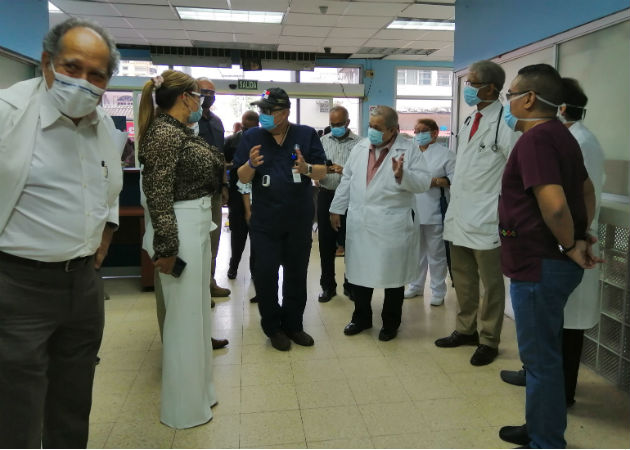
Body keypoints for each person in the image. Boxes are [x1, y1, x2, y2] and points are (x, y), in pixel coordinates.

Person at [0, 18, 122, 448]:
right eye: (72, 68)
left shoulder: (103, 127)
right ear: (47, 63)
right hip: (17, 285)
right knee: (17, 410)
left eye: (97, 75)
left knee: (73, 403)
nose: (83, 83)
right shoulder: (7, 114)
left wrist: (106, 231)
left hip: (83, 287)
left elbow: (109, 189)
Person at [496, 64, 600, 449]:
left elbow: (555, 206)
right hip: (547, 263)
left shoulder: (536, 140)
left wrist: (570, 243)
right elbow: (585, 191)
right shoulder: (562, 135)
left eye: (510, 95)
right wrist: (581, 234)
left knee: (540, 361)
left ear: (528, 99)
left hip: (540, 266)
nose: (508, 102)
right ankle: (539, 424)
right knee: (545, 356)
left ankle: (546, 440)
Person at [138, 70, 225, 429]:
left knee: (198, 319)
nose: (201, 102)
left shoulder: (178, 131)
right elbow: (158, 198)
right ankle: (182, 409)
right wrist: (168, 248)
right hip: (179, 229)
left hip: (196, 223)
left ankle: (200, 393)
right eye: (198, 96)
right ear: (186, 97)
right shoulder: (162, 134)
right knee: (183, 323)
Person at [435, 60, 519, 366]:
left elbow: (516, 171)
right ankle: (465, 329)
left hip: (487, 215)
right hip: (460, 212)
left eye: (472, 83)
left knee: (491, 283)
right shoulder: (471, 119)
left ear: (491, 88)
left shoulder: (505, 123)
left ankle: (488, 339)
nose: (467, 88)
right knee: (463, 277)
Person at [233, 88, 327, 351]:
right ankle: (273, 328)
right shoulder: (251, 136)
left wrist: (306, 168)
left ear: (285, 113)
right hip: (265, 222)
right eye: (261, 110)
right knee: (265, 275)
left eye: (269, 111)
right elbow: (241, 177)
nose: (263, 115)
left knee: (297, 275)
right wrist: (250, 164)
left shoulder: (306, 134)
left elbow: (323, 170)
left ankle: (294, 325)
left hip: (298, 219)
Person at [330, 106, 432, 341]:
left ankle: (390, 323)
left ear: (393, 130)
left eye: (378, 128)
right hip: (361, 221)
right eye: (370, 126)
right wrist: (336, 207)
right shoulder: (360, 147)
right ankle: (361, 318)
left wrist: (401, 175)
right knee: (360, 274)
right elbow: (348, 179)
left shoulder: (409, 148)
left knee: (392, 278)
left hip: (391, 223)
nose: (372, 132)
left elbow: (424, 183)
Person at [404, 118, 456, 306]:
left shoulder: (446, 155)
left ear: (434, 133)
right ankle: (416, 286)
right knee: (416, 252)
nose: (418, 135)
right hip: (412, 210)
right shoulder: (410, 152)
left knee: (436, 253)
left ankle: (438, 290)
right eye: (416, 131)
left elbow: (455, 181)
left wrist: (436, 181)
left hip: (435, 211)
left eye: (423, 131)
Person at [317, 105, 360, 303]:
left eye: (339, 124)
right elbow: (313, 168)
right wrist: (321, 172)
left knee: (350, 242)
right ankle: (328, 286)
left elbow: (364, 173)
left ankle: (351, 285)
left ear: (347, 123)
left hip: (352, 199)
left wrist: (345, 170)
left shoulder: (360, 144)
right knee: (326, 244)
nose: (335, 127)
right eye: (332, 124)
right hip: (326, 195)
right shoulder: (321, 142)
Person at [196, 77, 231, 298]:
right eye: (204, 92)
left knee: (213, 239)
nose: (209, 96)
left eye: (212, 92)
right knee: (196, 241)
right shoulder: (188, 121)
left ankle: (209, 282)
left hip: (215, 190)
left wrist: (225, 183)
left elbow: (221, 156)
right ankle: (197, 289)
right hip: (193, 191)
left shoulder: (217, 122)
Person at [224, 110, 259, 279]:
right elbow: (224, 163)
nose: (247, 133)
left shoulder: (264, 141)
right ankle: (233, 266)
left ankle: (254, 269)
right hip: (237, 193)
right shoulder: (231, 140)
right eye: (245, 128)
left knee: (256, 234)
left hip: (258, 194)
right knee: (238, 235)